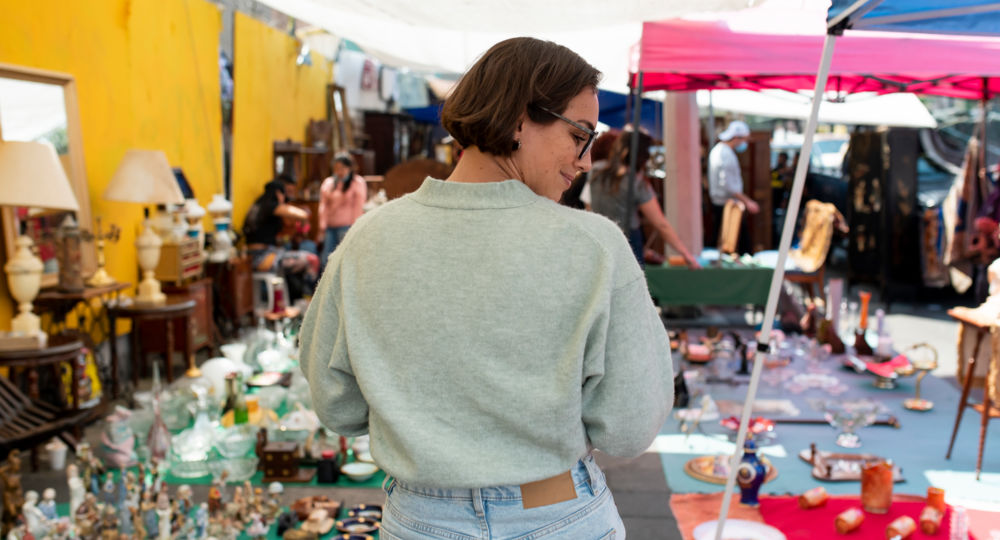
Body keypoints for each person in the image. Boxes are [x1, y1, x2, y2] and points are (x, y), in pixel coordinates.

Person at [299, 37, 672, 539]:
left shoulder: (366, 239)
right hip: (557, 513)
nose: (585, 160)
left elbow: (336, 404)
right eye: (580, 135)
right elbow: (629, 426)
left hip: (421, 519)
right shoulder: (594, 246)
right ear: (519, 120)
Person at [584, 130, 700, 268]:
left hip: (599, 239)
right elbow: (661, 224)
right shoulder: (636, 182)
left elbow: (588, 208)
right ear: (642, 155)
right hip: (627, 242)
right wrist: (686, 254)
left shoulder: (595, 171)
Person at [242, 178, 319, 302]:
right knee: (312, 260)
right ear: (278, 193)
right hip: (263, 257)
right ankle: (309, 302)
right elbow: (302, 214)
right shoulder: (271, 206)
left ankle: (295, 300)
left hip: (253, 256)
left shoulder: (256, 207)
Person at [708, 120, 759, 248]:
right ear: (736, 138)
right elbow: (728, 185)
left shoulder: (719, 150)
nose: (745, 143)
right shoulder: (725, 153)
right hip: (728, 205)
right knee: (739, 244)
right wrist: (747, 201)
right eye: (744, 139)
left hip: (723, 203)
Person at [317, 155, 367, 267]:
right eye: (336, 168)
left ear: (349, 168)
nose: (339, 172)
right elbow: (323, 205)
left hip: (347, 227)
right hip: (330, 227)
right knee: (327, 259)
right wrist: (322, 225)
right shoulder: (329, 183)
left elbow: (359, 206)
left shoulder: (357, 182)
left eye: (342, 168)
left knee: (346, 259)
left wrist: (355, 226)